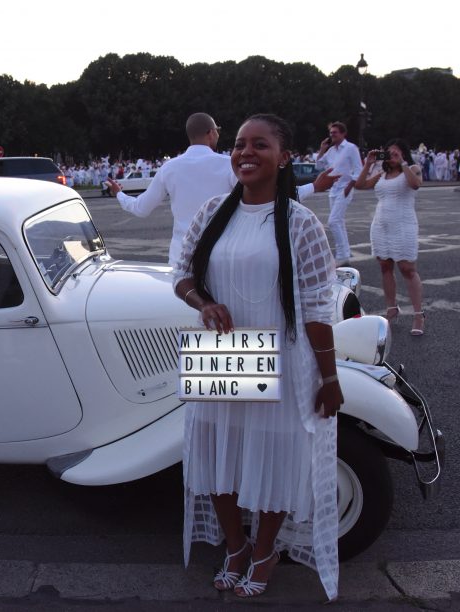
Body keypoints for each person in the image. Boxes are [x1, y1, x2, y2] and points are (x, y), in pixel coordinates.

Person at [173, 114, 342, 601]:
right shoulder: (212, 213)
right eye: (240, 144)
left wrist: (329, 377)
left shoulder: (302, 223)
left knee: (272, 457)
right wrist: (204, 304)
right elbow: (182, 274)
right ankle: (235, 545)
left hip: (283, 356)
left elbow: (315, 306)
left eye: (260, 145)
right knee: (215, 456)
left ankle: (265, 549)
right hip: (224, 350)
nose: (246, 153)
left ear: (283, 157)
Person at [106, 113, 339, 267]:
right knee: (226, 331)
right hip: (223, 255)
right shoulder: (226, 164)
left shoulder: (170, 168)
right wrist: (314, 187)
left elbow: (141, 208)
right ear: (210, 133)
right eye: (216, 131)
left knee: (188, 332)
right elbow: (266, 198)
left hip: (181, 258)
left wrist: (119, 193)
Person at [355, 139, 425, 335]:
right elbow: (360, 185)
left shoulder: (412, 168)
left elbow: (416, 185)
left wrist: (402, 162)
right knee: (385, 266)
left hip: (403, 225)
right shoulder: (382, 174)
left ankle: (419, 315)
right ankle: (391, 308)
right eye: (389, 153)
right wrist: (368, 163)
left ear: (403, 153)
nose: (391, 156)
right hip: (381, 225)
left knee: (407, 268)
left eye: (396, 152)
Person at [315, 122, 363, 266]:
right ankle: (345, 253)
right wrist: (322, 150)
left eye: (335, 132)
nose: (332, 135)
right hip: (333, 189)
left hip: (345, 187)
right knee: (339, 222)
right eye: (331, 133)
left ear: (343, 134)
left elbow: (358, 169)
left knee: (333, 221)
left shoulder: (350, 148)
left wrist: (350, 185)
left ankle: (341, 255)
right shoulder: (331, 151)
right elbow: (318, 166)